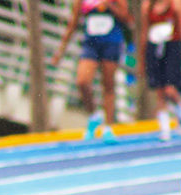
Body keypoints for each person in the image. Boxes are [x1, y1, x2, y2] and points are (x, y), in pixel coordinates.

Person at [50, 0, 132, 143]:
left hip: (111, 41)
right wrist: (60, 52)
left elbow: (127, 18)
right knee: (82, 81)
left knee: (108, 84)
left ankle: (108, 127)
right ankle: (94, 115)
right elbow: (73, 23)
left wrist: (110, 6)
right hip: (91, 43)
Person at [139, 0, 181, 141]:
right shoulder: (147, 5)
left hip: (172, 47)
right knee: (159, 91)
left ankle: (180, 111)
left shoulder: (176, 4)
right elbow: (144, 33)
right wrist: (142, 59)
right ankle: (165, 129)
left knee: (170, 89)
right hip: (154, 49)